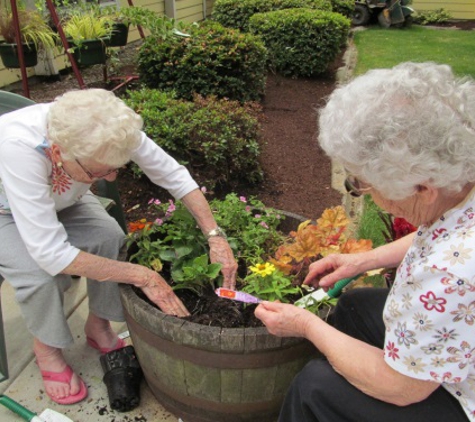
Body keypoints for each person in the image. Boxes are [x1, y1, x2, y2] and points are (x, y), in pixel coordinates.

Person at [255, 62, 475, 422]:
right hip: (456, 348)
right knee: (355, 306)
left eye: (368, 185)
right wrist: (363, 260)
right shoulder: (461, 185)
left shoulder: (450, 272)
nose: (367, 197)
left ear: (424, 188)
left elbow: (404, 388)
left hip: (462, 397)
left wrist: (307, 325)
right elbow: (440, 237)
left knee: (313, 388)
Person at [0, 88, 237, 405]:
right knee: (41, 276)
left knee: (111, 238)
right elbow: (50, 253)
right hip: (6, 212)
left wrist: (214, 235)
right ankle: (46, 347)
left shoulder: (108, 126)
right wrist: (143, 276)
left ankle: (98, 325)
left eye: (117, 167)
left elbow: (173, 175)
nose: (110, 177)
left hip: (62, 199)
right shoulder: (18, 148)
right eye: (100, 172)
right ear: (58, 154)